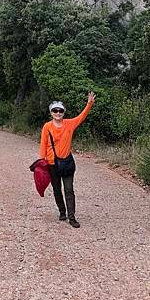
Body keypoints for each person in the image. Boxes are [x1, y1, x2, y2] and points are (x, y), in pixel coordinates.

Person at [39, 92, 96, 228]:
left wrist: (89, 104)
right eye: (55, 110)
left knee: (69, 189)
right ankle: (62, 211)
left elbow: (82, 117)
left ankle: (72, 217)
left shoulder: (69, 124)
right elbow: (43, 144)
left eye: (60, 110)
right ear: (51, 112)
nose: (57, 113)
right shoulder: (47, 127)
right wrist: (42, 162)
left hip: (67, 162)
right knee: (57, 189)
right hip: (52, 164)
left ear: (63, 112)